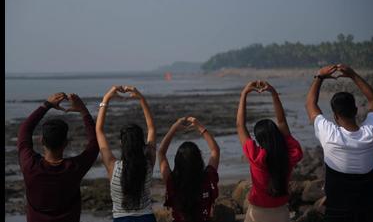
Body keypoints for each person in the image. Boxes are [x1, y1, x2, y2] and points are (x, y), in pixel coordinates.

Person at [305, 64, 373, 222]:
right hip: (369, 213)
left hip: (337, 214)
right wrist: (353, 75)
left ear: (335, 116)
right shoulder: (371, 133)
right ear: (356, 111)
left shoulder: (329, 135)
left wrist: (319, 76)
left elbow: (310, 104)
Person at [17, 92, 99, 222]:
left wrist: (46, 105)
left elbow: (24, 130)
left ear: (41, 141)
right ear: (66, 143)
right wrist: (83, 111)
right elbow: (95, 144)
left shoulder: (30, 166)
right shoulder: (74, 168)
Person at [236, 80, 303, 222]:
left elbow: (240, 125)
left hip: (258, 212)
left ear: (259, 140)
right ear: (277, 135)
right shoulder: (290, 155)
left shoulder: (256, 156)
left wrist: (244, 94)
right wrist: (273, 93)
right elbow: (282, 122)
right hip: (281, 212)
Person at [96, 85, 157, 222]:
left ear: (121, 144)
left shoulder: (113, 167)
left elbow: (99, 130)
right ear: (142, 144)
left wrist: (106, 98)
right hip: (147, 218)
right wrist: (141, 98)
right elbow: (152, 128)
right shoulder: (148, 164)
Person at [158, 117, 220, 222]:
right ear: (199, 160)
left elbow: (161, 153)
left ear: (177, 161)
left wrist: (173, 128)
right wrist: (200, 127)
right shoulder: (208, 178)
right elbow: (215, 150)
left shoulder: (172, 180)